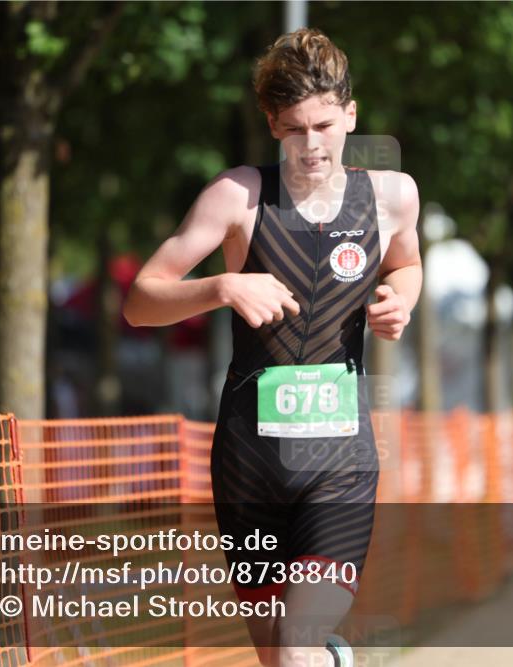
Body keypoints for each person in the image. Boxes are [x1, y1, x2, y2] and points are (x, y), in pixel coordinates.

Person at [123, 28, 422, 667]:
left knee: (294, 644)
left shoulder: (393, 196)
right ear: (270, 124)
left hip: (340, 459)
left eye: (322, 125)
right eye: (292, 129)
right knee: (278, 656)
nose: (310, 145)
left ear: (350, 113)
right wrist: (223, 286)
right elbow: (140, 299)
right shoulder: (238, 197)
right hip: (249, 462)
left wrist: (402, 297)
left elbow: (407, 265)